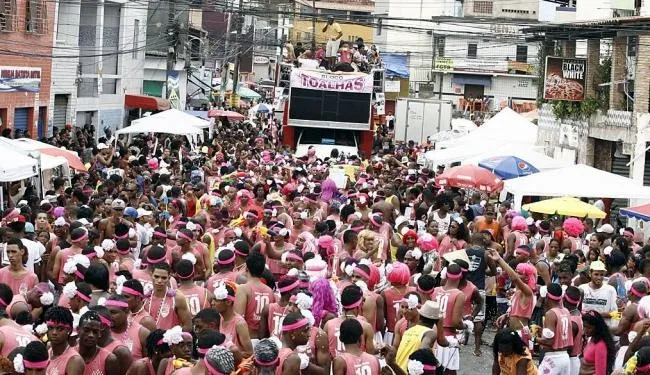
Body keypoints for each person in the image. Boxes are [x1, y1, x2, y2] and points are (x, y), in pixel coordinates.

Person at [395, 300, 447, 372]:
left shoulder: (408, 331)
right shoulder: (430, 332)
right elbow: (423, 351)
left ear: (420, 316)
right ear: (436, 321)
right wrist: (438, 366)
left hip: (398, 371)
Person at [234, 252, 275, 342]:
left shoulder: (243, 289)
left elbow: (238, 318)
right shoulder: (270, 291)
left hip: (247, 339)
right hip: (264, 341)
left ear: (246, 269)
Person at [536, 283, 572, 375]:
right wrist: (542, 331)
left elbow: (549, 342)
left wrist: (532, 338)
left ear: (547, 296)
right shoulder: (566, 311)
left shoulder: (550, 314)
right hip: (565, 358)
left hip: (553, 359)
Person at [44, 306, 85, 375]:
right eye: (51, 328)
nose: (54, 333)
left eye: (60, 328)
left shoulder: (74, 361)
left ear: (69, 330)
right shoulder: (48, 351)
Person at [76, 310, 120, 375]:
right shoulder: (69, 356)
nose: (91, 335)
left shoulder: (109, 359)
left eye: (95, 332)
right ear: (78, 330)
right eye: (86, 330)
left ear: (99, 334)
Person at [581, 310, 616, 375]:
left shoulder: (600, 345)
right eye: (584, 326)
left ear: (597, 328)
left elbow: (600, 373)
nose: (585, 330)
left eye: (589, 328)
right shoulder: (591, 339)